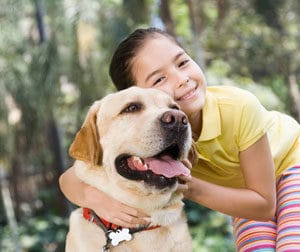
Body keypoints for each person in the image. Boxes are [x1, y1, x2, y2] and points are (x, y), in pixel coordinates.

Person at [59, 27, 300, 251]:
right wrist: (99, 201)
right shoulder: (154, 138)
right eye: (159, 80)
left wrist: (190, 186)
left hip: (292, 163)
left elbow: (265, 205)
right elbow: (70, 178)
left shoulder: (238, 107)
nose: (181, 79)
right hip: (248, 193)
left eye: (183, 62)